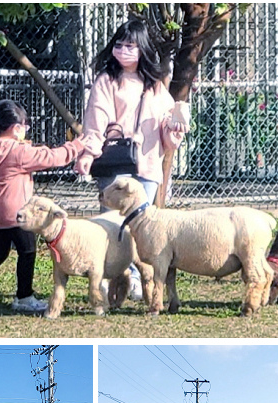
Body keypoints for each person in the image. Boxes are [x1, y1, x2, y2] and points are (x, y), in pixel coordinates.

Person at [75, 18, 188, 299]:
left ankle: (136, 279)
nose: (123, 50)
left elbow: (165, 127)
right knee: (111, 224)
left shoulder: (156, 86)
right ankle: (104, 276)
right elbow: (95, 121)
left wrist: (174, 129)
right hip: (114, 162)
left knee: (141, 228)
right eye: (120, 44)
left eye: (130, 46)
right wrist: (89, 153)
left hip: (147, 165)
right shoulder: (106, 80)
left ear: (143, 50)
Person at [0, 99, 88, 313]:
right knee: (27, 250)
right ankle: (24, 295)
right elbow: (51, 157)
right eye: (24, 126)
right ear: (16, 128)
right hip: (18, 213)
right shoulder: (19, 152)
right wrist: (77, 145)